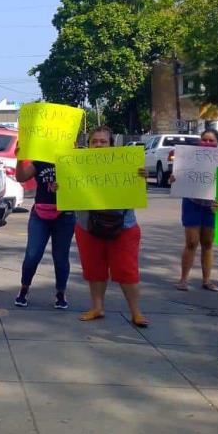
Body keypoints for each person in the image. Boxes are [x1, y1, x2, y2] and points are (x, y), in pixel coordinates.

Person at [75, 126, 149, 327]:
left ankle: (136, 312)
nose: (98, 144)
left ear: (112, 145)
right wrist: (59, 187)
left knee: (127, 270)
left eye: (103, 141)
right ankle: (97, 308)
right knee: (94, 269)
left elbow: (139, 192)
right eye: (94, 141)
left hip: (123, 226)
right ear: (88, 145)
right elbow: (69, 193)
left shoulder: (126, 164)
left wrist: (142, 177)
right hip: (88, 226)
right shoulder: (76, 166)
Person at [13, 152, 76, 309]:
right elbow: (21, 177)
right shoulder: (40, 161)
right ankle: (24, 289)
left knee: (61, 258)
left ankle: (61, 292)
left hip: (65, 215)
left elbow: (85, 184)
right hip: (40, 214)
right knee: (32, 255)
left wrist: (66, 186)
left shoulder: (74, 160)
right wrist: (20, 159)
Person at [173, 129, 218, 292]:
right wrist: (173, 178)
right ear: (199, 142)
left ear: (217, 143)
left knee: (208, 243)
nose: (207, 143)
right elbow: (177, 178)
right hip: (192, 203)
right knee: (191, 242)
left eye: (211, 141)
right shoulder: (188, 158)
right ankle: (183, 280)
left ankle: (207, 280)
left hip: (212, 207)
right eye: (205, 140)